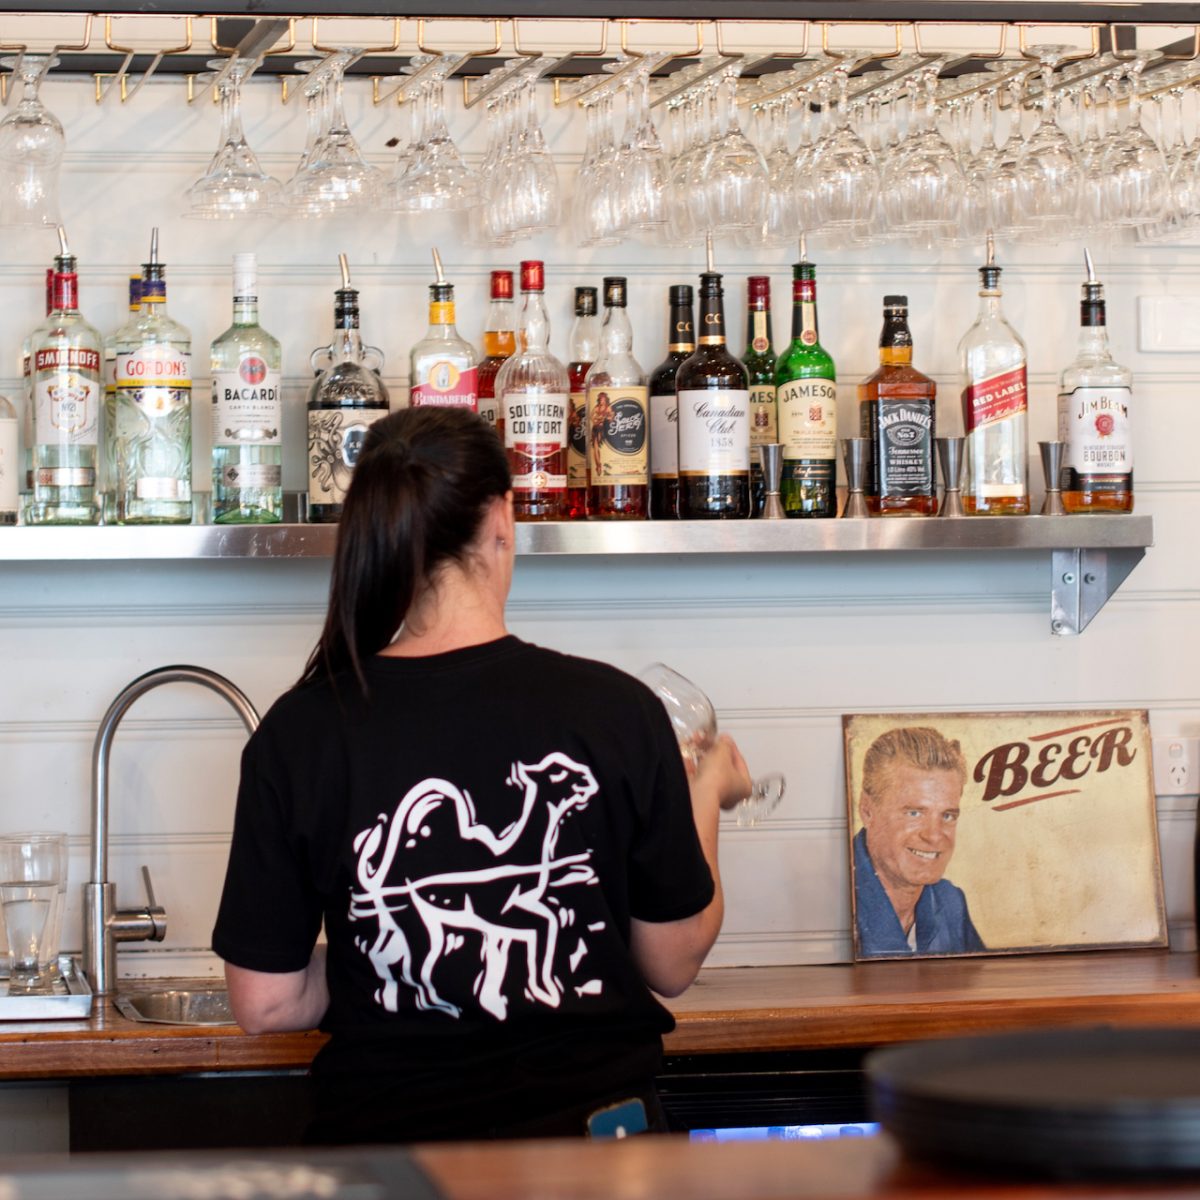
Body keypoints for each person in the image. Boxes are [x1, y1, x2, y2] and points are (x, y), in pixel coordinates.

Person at [212, 406, 751, 1144]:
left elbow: (265, 1004)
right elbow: (672, 961)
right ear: (503, 517)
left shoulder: (300, 732)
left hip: (388, 1163)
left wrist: (387, 954)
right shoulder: (615, 710)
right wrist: (708, 792)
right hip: (597, 1163)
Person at [853, 726, 985, 958]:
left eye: (947, 816)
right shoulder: (838, 902)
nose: (934, 836)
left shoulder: (951, 902)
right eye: (914, 813)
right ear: (867, 810)